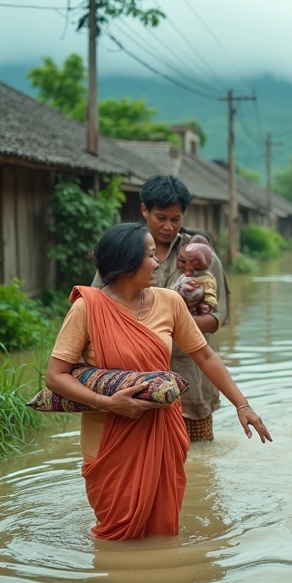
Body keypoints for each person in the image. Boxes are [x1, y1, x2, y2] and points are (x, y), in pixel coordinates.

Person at [47, 222, 271, 540]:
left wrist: (242, 404)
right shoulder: (87, 308)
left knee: (164, 534)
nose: (158, 263)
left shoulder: (170, 302)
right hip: (108, 435)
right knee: (112, 534)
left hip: (162, 430)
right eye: (151, 256)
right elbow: (55, 375)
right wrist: (107, 402)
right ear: (127, 262)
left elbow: (205, 356)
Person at [93, 176, 230, 443]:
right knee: (138, 453)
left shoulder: (201, 256)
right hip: (133, 374)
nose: (169, 226)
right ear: (144, 209)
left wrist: (168, 324)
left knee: (195, 462)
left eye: (176, 219)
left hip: (189, 376)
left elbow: (217, 318)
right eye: (161, 217)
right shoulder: (123, 251)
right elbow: (97, 303)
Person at [172, 241, 217, 316]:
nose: (182, 265)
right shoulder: (182, 277)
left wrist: (206, 305)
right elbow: (173, 288)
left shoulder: (206, 279)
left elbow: (210, 294)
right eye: (182, 261)